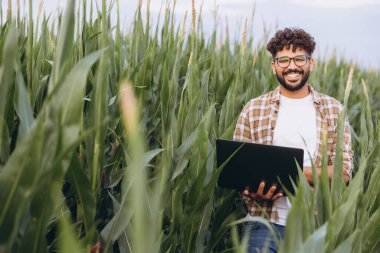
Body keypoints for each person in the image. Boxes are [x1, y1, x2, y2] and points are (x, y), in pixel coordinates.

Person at [233, 27, 353, 253]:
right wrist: (252, 190)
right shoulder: (253, 109)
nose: (292, 66)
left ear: (311, 63)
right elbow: (239, 168)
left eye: (299, 58)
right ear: (273, 66)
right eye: (283, 60)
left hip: (314, 227)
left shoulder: (333, 110)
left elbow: (342, 173)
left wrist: (285, 171)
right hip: (262, 223)